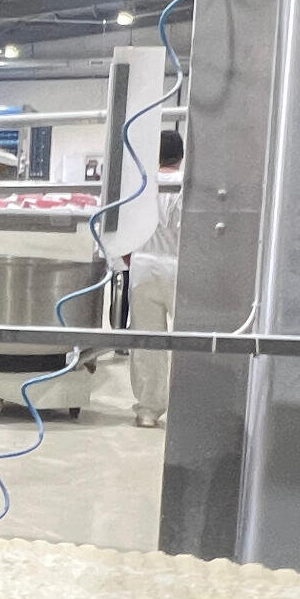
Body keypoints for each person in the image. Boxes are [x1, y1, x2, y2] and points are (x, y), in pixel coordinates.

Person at [129, 130, 185, 428]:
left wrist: (132, 259)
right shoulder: (188, 185)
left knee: (148, 341)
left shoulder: (141, 184)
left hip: (143, 267)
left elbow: (124, 228)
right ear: (181, 156)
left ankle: (148, 411)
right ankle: (188, 405)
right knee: (188, 341)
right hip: (180, 267)